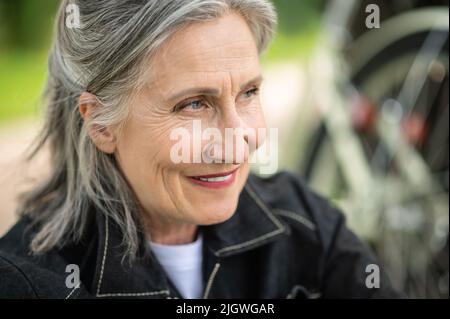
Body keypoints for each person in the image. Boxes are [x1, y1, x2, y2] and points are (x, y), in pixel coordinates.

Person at [0, 0, 399, 298]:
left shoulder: (305, 224)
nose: (237, 139)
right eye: (194, 104)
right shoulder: (28, 285)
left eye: (249, 93)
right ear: (101, 123)